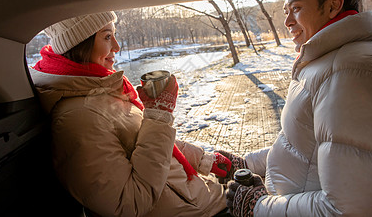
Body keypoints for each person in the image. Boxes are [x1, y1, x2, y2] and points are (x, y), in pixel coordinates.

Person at [220, 0, 372, 216]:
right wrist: (246, 164)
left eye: (296, 8)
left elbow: (353, 210)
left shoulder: (355, 75)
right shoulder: (332, 62)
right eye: (286, 11)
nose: (287, 21)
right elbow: (302, 148)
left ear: (333, 5)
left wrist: (257, 207)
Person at [29, 11, 232, 217]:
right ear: (80, 44)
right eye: (108, 36)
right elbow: (129, 203)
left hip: (201, 197)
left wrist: (204, 160)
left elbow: (148, 144)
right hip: (200, 210)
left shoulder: (100, 92)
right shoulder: (77, 118)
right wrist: (158, 115)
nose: (117, 46)